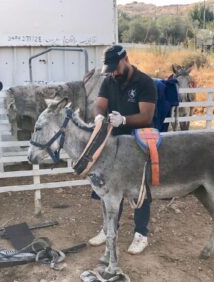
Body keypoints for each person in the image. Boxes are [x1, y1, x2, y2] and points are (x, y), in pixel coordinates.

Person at [89, 44, 157, 255]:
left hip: (138, 142)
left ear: (125, 59)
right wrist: (99, 115)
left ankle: (141, 234)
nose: (113, 72)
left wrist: (125, 120)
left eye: (115, 67)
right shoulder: (109, 81)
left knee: (140, 190)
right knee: (109, 188)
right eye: (109, 69)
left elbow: (147, 116)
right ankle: (109, 228)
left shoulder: (144, 82)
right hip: (115, 143)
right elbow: (99, 104)